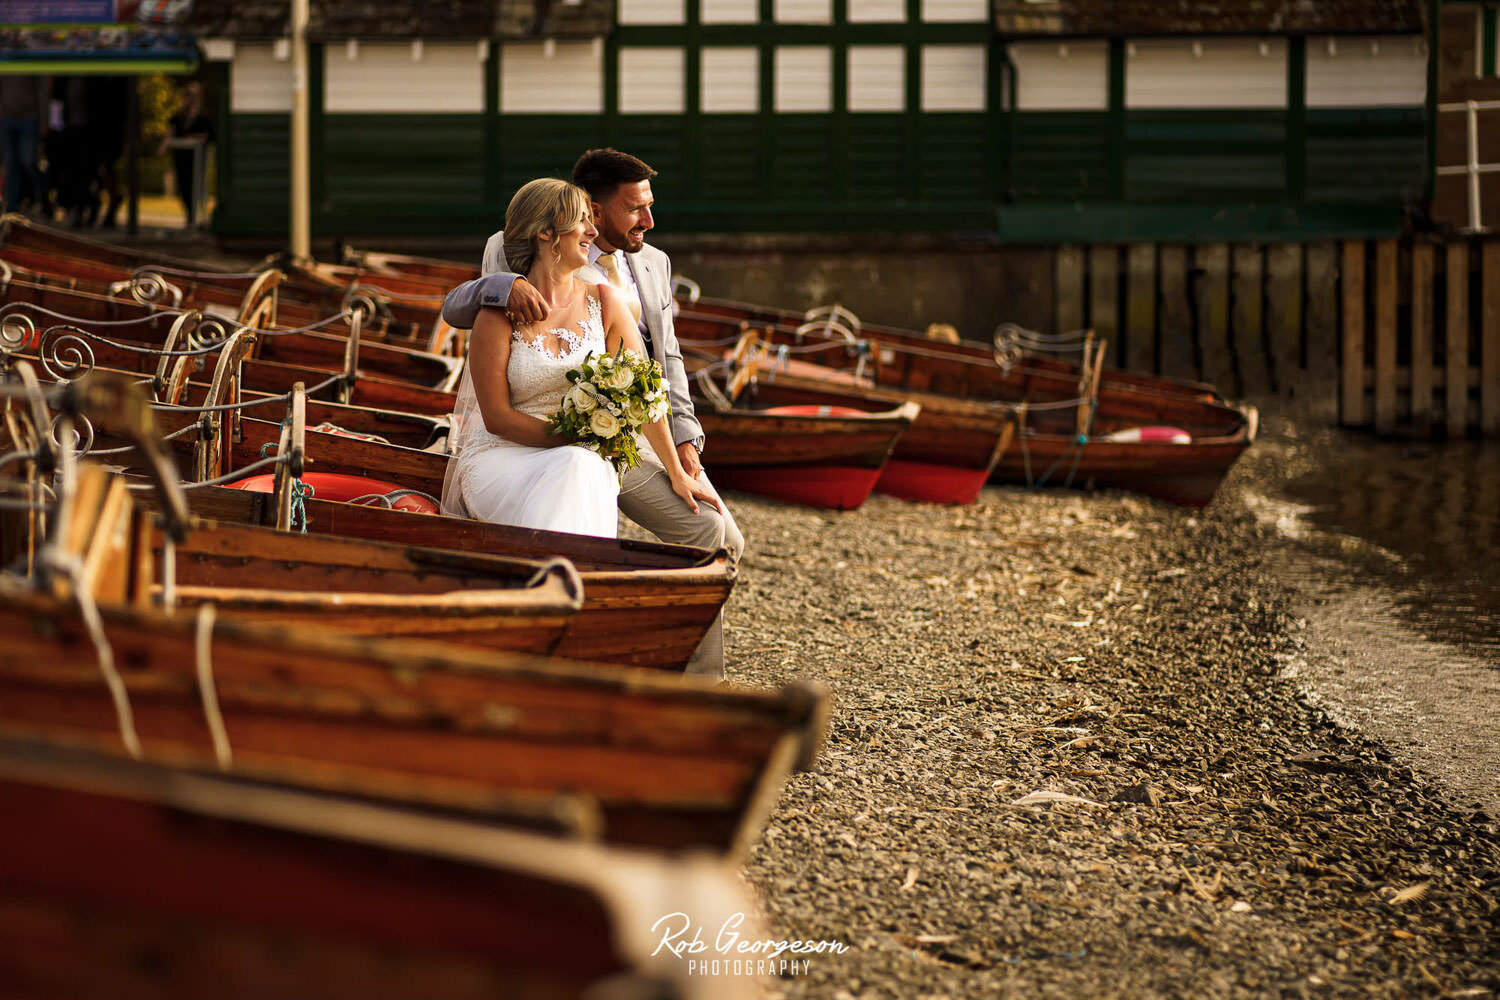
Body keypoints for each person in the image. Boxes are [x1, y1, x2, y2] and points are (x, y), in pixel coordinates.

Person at [443, 149, 744, 678]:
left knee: (716, 533)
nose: (648, 220)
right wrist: (504, 286)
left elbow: (657, 372)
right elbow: (457, 310)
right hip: (539, 441)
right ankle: (575, 634)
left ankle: (694, 679)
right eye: (635, 208)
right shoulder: (505, 279)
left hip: (622, 436)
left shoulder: (640, 273)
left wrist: (682, 459)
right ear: (590, 215)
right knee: (581, 470)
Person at [441, 176, 718, 541]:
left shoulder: (606, 303)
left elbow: (644, 396)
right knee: (579, 464)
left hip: (582, 460)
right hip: (504, 458)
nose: (592, 230)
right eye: (582, 219)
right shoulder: (497, 314)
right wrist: (578, 438)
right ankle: (573, 577)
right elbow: (496, 419)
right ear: (546, 233)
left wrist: (677, 473)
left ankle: (554, 577)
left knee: (582, 467)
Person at [157, 81, 213, 226]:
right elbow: (170, 133)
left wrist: (192, 138)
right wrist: (164, 146)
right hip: (181, 158)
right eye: (188, 95)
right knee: (184, 186)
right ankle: (190, 215)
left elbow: (207, 136)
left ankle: (199, 216)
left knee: (197, 186)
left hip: (196, 158)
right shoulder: (178, 116)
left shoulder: (203, 117)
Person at [0, 76, 47, 215]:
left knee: (29, 161)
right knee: (10, 164)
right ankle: (12, 207)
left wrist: (44, 119)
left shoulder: (30, 57)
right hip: (6, 118)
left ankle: (44, 199)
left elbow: (42, 91)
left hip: (29, 118)